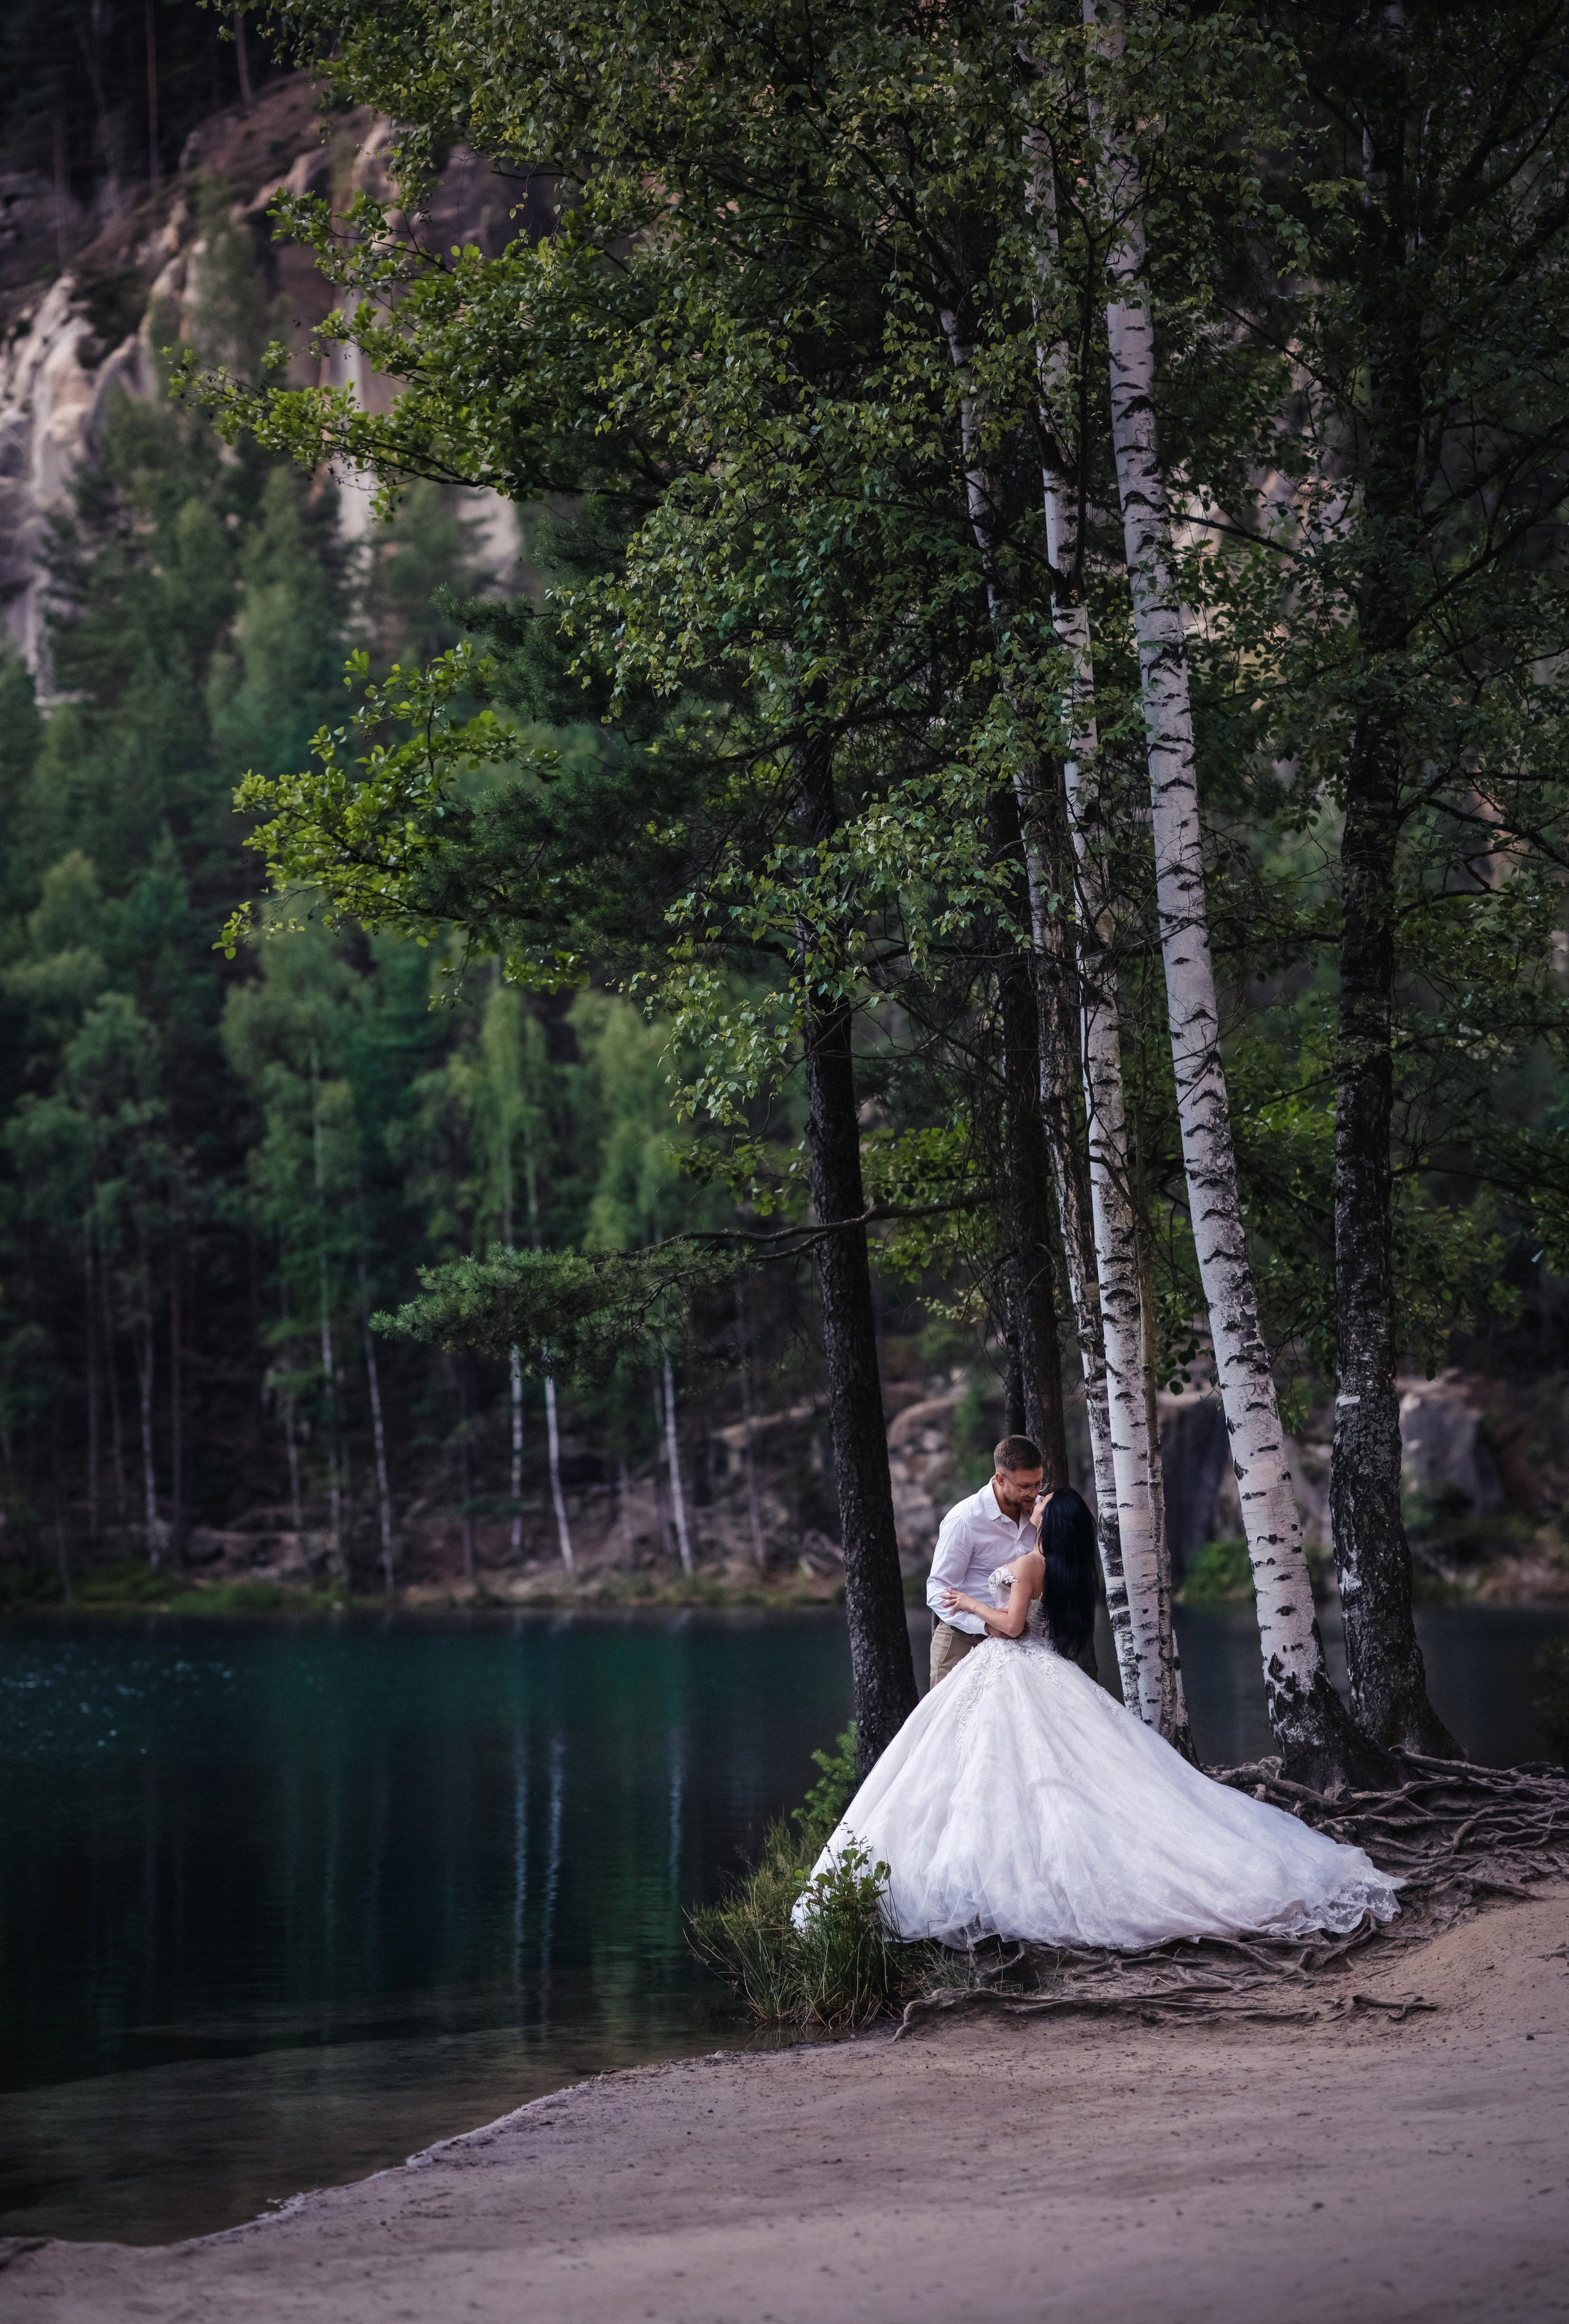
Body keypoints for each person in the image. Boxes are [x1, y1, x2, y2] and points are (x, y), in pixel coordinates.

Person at [796, 1479, 1402, 1950]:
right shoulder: (1063, 1568)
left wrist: (968, 1604)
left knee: (1001, 1770)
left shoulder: (1029, 1565)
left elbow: (1011, 1628)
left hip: (1011, 1665)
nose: (1036, 1502)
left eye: (1043, 1500)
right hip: (1039, 1669)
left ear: (1050, 1519)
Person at [926, 1435, 1057, 1688]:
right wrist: (986, 1625)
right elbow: (937, 1590)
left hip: (1021, 1650)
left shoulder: (1041, 1515)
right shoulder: (965, 1520)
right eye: (1024, 1487)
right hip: (963, 1641)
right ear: (1000, 1479)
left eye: (1038, 1484)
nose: (1033, 1494)